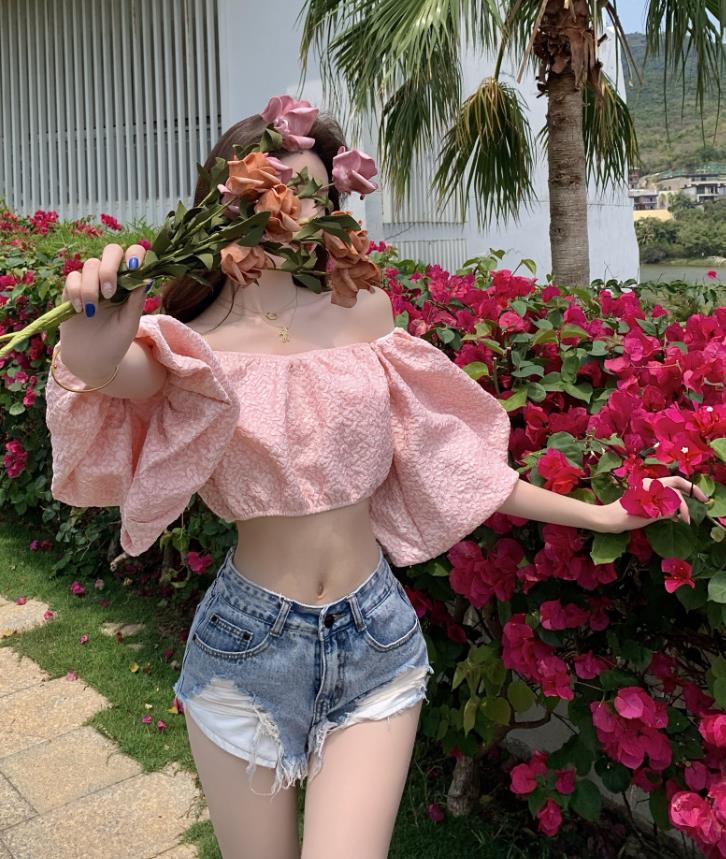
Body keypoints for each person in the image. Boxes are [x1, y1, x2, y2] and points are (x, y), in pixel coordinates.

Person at [44, 104, 709, 859]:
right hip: (246, 647)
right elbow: (114, 374)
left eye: (317, 195)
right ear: (228, 199)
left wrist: (605, 515)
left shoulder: (364, 313)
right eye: (276, 188)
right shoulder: (190, 344)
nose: (298, 209)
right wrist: (92, 352)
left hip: (375, 637)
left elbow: (454, 464)